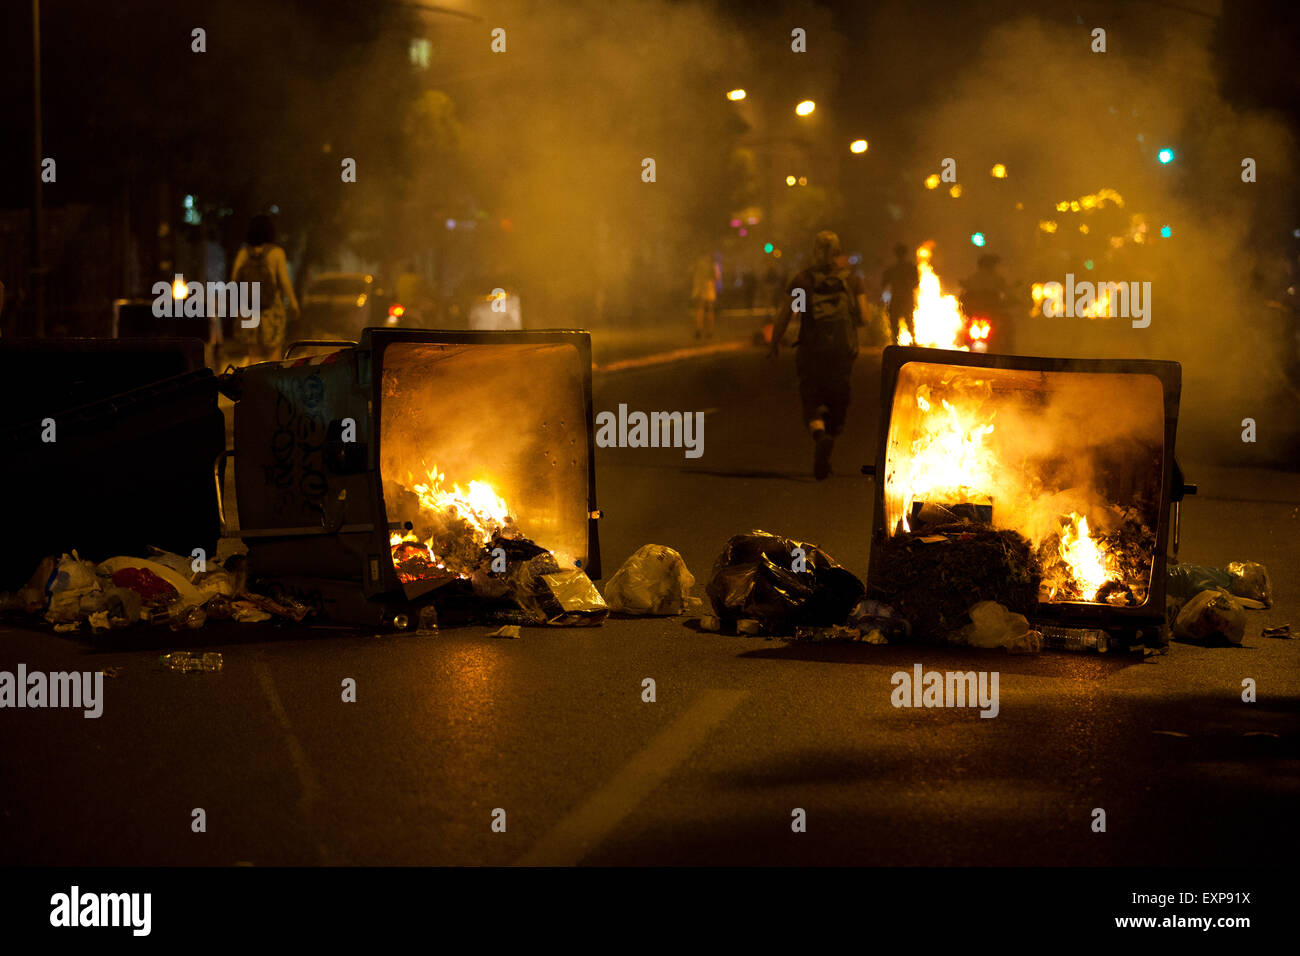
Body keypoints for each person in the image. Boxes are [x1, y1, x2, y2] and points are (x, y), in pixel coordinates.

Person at [768, 230, 869, 480]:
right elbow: (865, 318)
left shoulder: (803, 281)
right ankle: (830, 434)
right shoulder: (852, 281)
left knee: (811, 400)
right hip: (841, 352)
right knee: (838, 401)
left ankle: (819, 435)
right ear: (838, 251)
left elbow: (787, 314)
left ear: (814, 249)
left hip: (811, 350)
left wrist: (775, 342)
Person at [230, 214, 299, 364]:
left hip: (249, 309)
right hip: (272, 310)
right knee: (274, 354)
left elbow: (234, 280)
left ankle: (254, 385)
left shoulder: (243, 254)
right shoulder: (276, 253)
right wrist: (293, 303)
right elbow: (284, 281)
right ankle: (270, 386)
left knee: (254, 354)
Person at [880, 242, 918, 344]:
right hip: (906, 298)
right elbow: (916, 283)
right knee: (909, 320)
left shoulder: (892, 269)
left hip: (897, 298)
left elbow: (883, 283)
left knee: (895, 321)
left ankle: (895, 342)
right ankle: (913, 341)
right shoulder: (911, 268)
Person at [691, 252, 718, 339]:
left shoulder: (702, 264)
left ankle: (702, 330)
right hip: (707, 288)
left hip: (705, 287)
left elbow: (696, 276)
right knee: (706, 309)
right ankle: (706, 331)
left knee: (702, 309)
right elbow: (717, 277)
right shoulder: (712, 265)